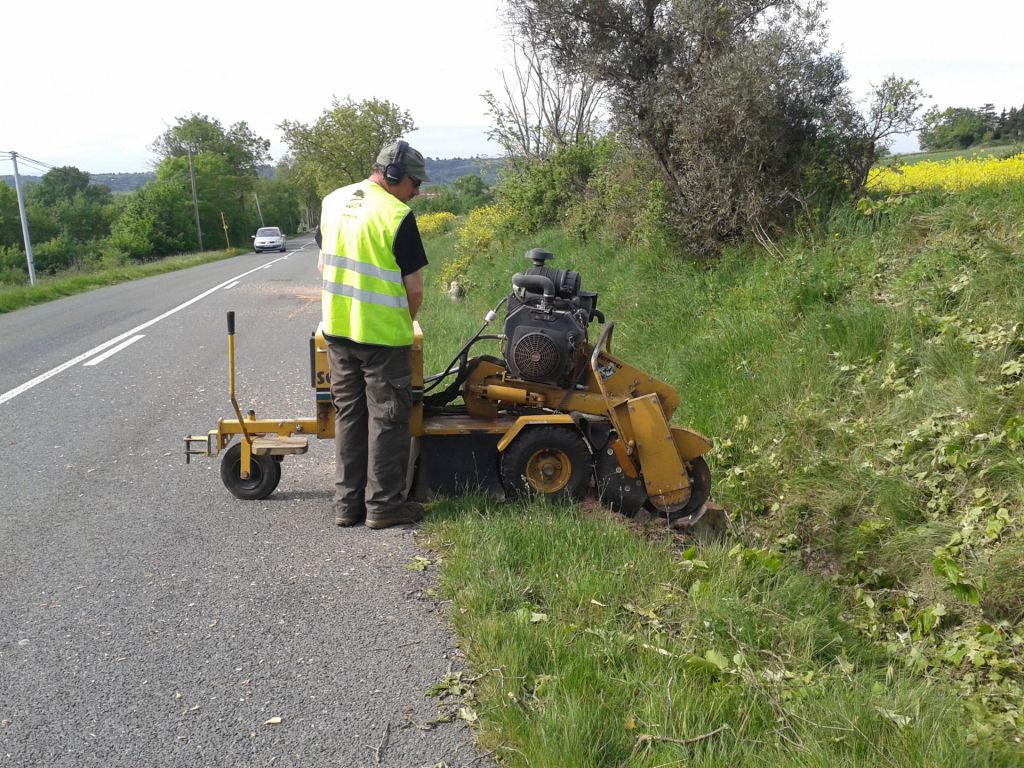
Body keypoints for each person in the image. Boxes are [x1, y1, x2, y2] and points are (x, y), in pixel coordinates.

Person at [316, 140, 429, 529]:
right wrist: (404, 320)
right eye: (414, 182)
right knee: (388, 418)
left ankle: (347, 505)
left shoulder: (332, 202)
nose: (417, 191)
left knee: (349, 415)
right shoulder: (396, 216)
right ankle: (383, 506)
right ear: (394, 175)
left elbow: (322, 264)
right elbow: (414, 291)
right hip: (381, 338)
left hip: (337, 332)